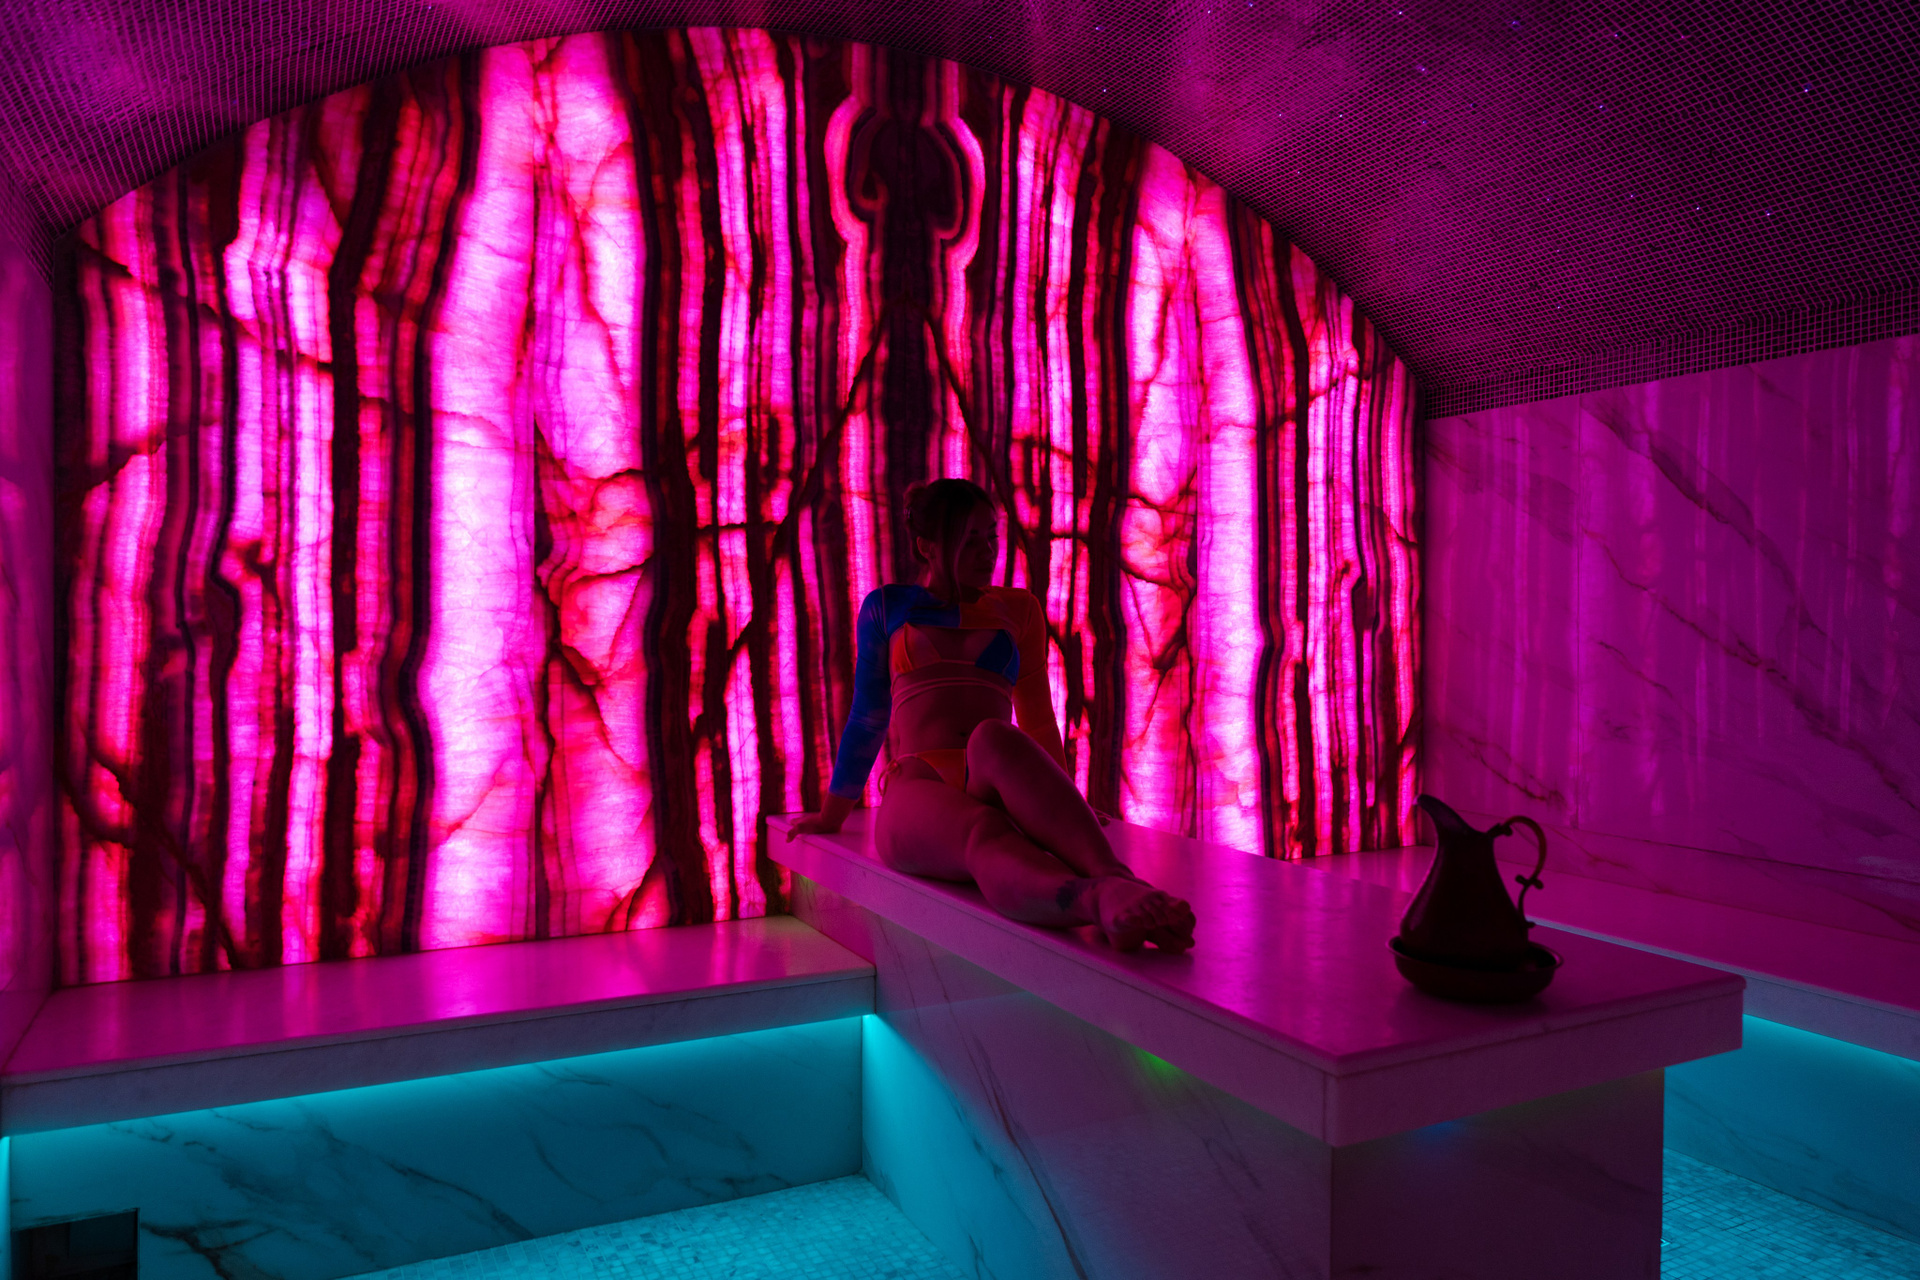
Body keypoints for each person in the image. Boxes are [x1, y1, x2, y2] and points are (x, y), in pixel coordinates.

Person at [786, 478, 1196, 952]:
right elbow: (867, 717)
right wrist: (830, 815)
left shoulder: (1018, 609)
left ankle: (1120, 880)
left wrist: (1066, 801)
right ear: (927, 547)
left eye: (991, 537)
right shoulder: (886, 607)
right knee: (983, 831)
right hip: (919, 781)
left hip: (992, 771)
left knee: (994, 735)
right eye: (970, 541)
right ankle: (1093, 900)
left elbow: (1037, 719)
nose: (987, 552)